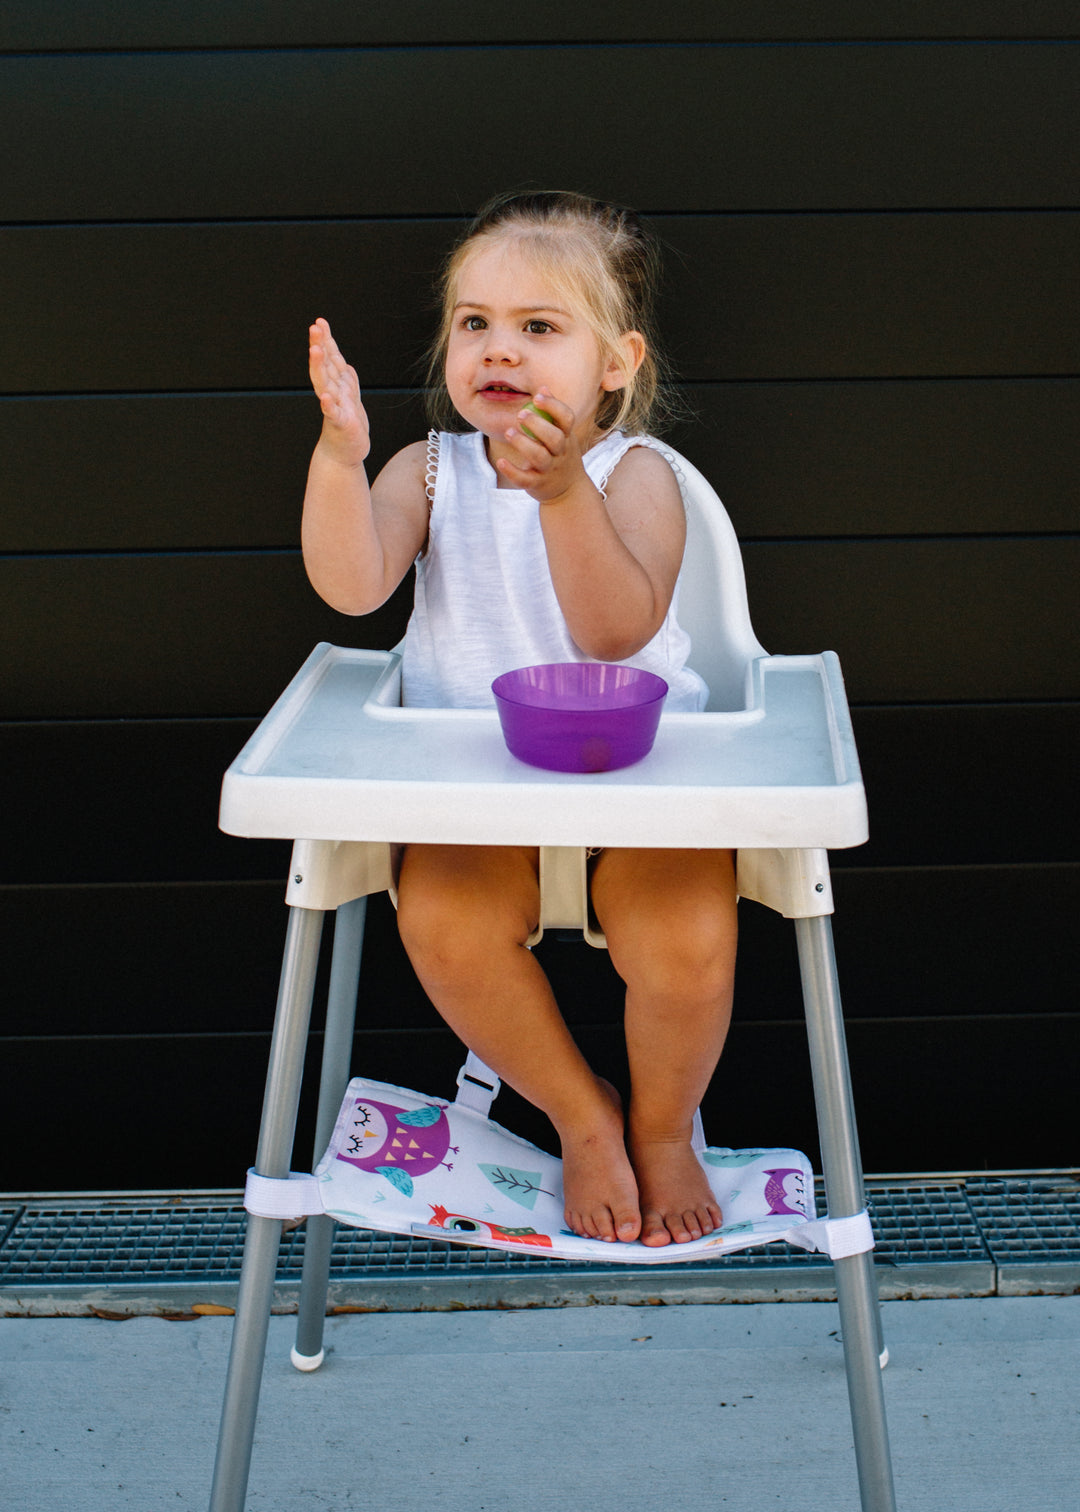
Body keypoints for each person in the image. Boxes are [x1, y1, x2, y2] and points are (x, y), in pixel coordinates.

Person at [301, 190, 737, 1247]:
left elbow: (615, 633)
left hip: (642, 773)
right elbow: (351, 587)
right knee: (442, 928)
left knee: (684, 936)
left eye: (540, 327)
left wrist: (559, 499)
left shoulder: (637, 478)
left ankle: (665, 1128)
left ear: (615, 365)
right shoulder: (432, 470)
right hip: (472, 776)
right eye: (475, 322)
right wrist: (340, 456)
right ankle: (581, 1116)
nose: (500, 347)